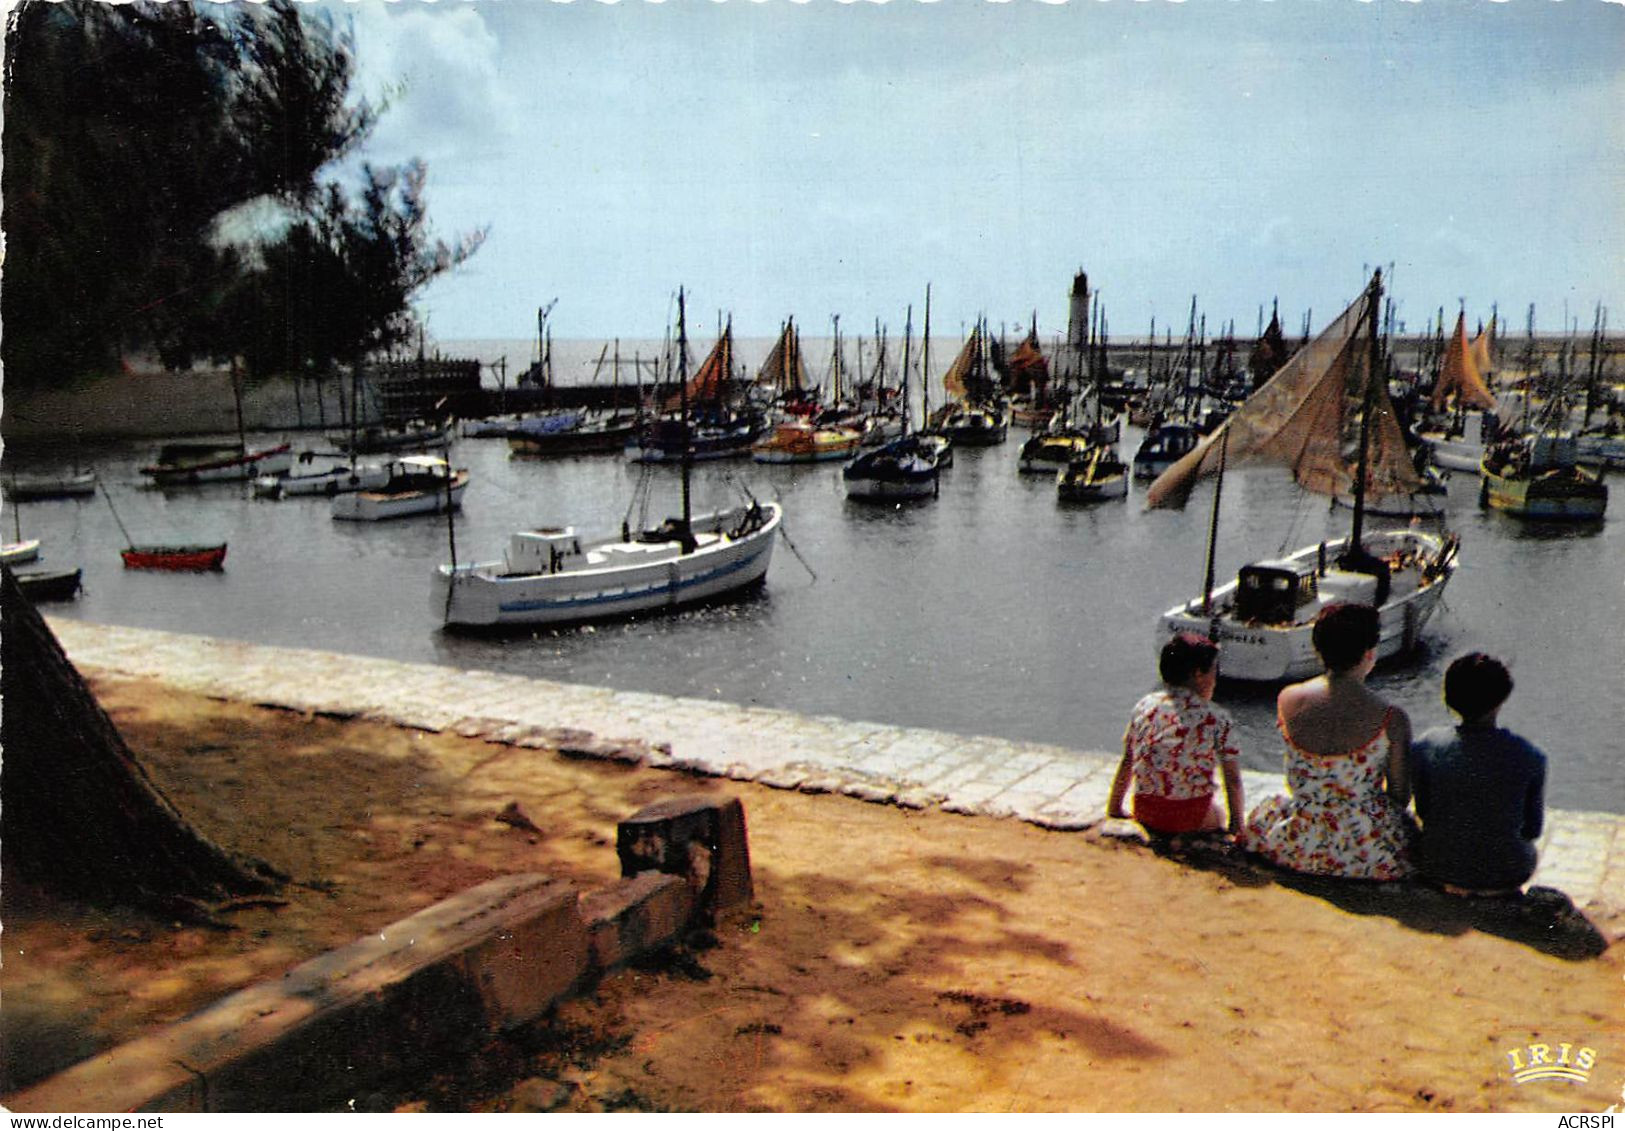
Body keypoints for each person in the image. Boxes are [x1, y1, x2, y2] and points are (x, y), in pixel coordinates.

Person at [1241, 603, 1414, 880]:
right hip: (1364, 850)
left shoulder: (1288, 698)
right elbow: (1399, 795)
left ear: (1317, 650)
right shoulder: (1391, 718)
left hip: (1298, 840)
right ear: (1370, 654)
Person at [1410, 653, 1546, 896]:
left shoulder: (1425, 746)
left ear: (1449, 698)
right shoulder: (1531, 755)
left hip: (1436, 865)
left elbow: (1424, 811)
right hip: (1508, 871)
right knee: (1529, 849)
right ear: (1501, 699)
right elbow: (1532, 830)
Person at [1107, 632, 1245, 836]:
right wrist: (1236, 826)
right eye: (1213, 673)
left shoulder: (1145, 706)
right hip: (1191, 817)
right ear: (1199, 674)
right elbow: (1232, 779)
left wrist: (1115, 808)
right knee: (1217, 813)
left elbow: (1128, 760)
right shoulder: (1217, 717)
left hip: (1146, 811)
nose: (1215, 680)